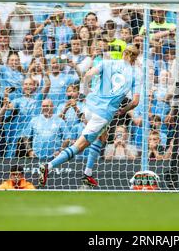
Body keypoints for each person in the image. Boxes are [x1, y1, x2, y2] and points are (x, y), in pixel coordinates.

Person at [39, 45, 141, 187]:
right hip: (103, 113)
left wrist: (86, 92)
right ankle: (48, 166)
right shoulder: (136, 74)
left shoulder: (107, 62)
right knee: (79, 146)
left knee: (102, 136)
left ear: (123, 53)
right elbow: (135, 102)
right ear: (135, 58)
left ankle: (88, 174)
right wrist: (123, 110)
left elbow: (87, 75)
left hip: (89, 106)